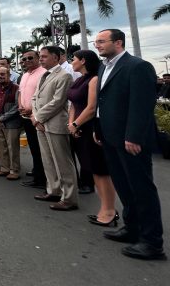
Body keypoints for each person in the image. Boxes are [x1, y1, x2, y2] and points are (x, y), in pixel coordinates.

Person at [95, 29, 165, 260]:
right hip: (110, 137)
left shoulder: (137, 66)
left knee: (141, 188)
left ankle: (152, 242)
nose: (98, 45)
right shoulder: (104, 66)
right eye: (96, 42)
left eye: (102, 42)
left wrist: (134, 136)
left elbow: (142, 104)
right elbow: (102, 103)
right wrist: (98, 129)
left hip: (130, 140)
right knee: (123, 186)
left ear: (118, 42)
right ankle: (132, 228)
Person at [67, 50, 118, 226]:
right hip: (77, 128)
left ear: (83, 60)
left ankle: (109, 211)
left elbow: (91, 108)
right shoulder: (79, 79)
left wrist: (75, 125)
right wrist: (71, 124)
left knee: (100, 171)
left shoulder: (94, 79)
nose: (71, 61)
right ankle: (105, 209)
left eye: (73, 59)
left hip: (90, 129)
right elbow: (74, 104)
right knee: (94, 170)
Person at [31, 46, 77, 211]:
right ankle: (54, 190)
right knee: (48, 160)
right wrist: (35, 117)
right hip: (41, 124)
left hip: (55, 124)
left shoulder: (64, 76)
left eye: (44, 56)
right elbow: (35, 97)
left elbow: (58, 102)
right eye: (40, 56)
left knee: (62, 162)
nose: (41, 59)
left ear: (56, 58)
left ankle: (69, 198)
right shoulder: (44, 74)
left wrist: (38, 117)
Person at [18, 50, 47, 189]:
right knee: (34, 149)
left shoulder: (43, 73)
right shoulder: (24, 75)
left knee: (41, 150)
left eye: (30, 58)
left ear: (38, 59)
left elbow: (44, 97)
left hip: (38, 117)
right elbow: (21, 93)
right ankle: (37, 175)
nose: (26, 60)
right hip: (25, 117)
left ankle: (42, 180)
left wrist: (32, 110)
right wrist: (20, 105)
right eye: (24, 59)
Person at [0, 67, 22, 180]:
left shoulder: (16, 88)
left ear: (8, 75)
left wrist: (2, 118)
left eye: (2, 74)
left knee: (12, 147)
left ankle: (14, 170)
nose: (0, 76)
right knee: (0, 146)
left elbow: (17, 106)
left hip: (11, 123)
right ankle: (4, 168)